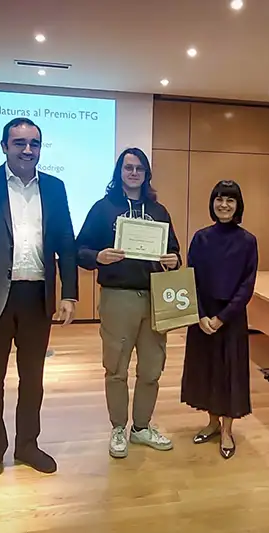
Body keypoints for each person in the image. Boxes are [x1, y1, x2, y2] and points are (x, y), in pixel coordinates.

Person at [0, 117, 78, 487]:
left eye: (34, 143)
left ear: (40, 148)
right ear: (4, 145)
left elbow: (67, 245)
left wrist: (68, 293)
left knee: (33, 379)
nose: (27, 150)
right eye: (19, 142)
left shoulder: (55, 187)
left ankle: (27, 445)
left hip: (36, 296)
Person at [76, 147, 181, 458]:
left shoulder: (159, 211)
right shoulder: (103, 208)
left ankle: (142, 427)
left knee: (151, 369)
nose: (134, 173)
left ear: (146, 174)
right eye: (128, 168)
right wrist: (98, 256)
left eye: (139, 168)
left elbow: (174, 252)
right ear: (119, 173)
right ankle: (119, 427)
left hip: (154, 298)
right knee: (116, 367)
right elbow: (79, 248)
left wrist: (173, 260)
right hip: (118, 297)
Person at [181, 180, 258, 459]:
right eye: (219, 199)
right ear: (212, 203)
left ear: (238, 206)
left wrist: (222, 318)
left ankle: (227, 430)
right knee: (207, 371)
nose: (224, 204)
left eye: (230, 200)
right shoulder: (200, 238)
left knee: (230, 373)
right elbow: (192, 279)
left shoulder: (248, 241)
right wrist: (201, 314)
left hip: (232, 317)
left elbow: (247, 285)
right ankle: (212, 423)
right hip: (202, 316)